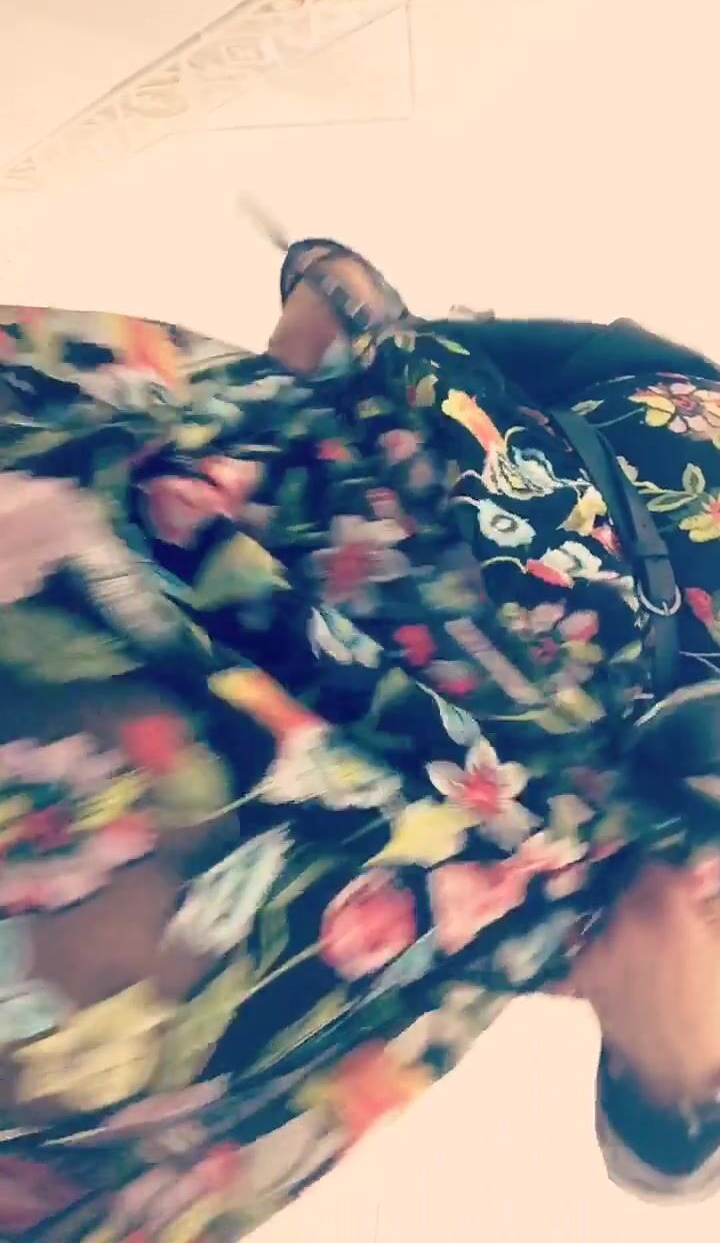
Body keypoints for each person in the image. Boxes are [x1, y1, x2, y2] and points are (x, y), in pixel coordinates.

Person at [2, 248, 720, 1242]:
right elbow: (393, 351)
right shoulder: (673, 396)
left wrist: (681, 1095)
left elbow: (671, 1108)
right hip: (269, 526)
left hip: (412, 788)